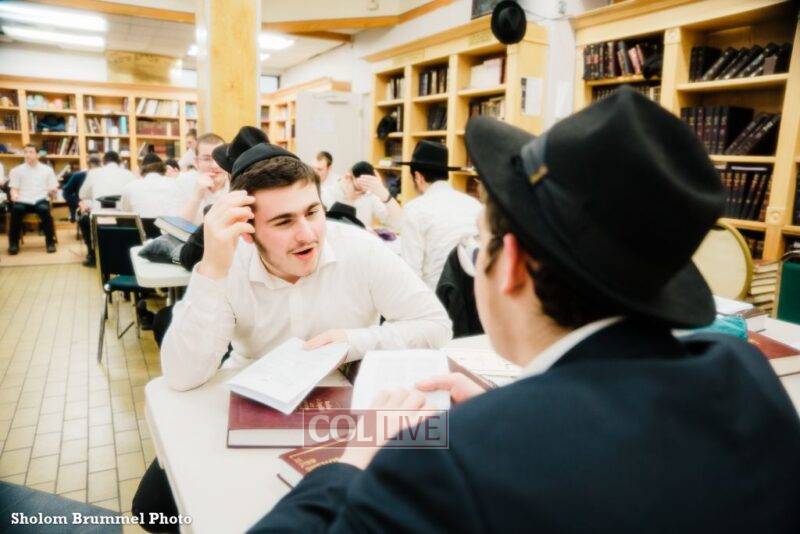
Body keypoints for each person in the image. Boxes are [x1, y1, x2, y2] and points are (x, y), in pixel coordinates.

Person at [250, 88, 800, 532]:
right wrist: (513, 410)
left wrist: (357, 456)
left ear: (510, 264)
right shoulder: (745, 374)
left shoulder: (449, 466)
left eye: (476, 245)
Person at [134, 128, 451, 533]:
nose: (308, 234)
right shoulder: (229, 263)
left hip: (340, 413)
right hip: (252, 405)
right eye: (284, 221)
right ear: (248, 229)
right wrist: (211, 269)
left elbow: (435, 326)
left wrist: (354, 342)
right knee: (163, 508)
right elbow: (181, 376)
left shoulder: (360, 249)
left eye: (312, 212)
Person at [398, 140, 482, 290]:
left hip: (435, 297)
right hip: (474, 296)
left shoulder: (414, 209)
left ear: (418, 177)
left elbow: (411, 274)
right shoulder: (475, 205)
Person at [78, 151, 136, 266]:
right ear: (119, 162)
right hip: (124, 218)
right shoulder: (129, 174)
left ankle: (92, 256)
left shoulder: (93, 173)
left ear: (103, 162)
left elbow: (82, 195)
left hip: (99, 218)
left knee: (83, 219)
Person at [7, 143, 58, 254]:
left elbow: (53, 187)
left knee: (44, 209)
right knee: (17, 209)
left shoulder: (47, 170)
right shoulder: (16, 170)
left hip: (40, 198)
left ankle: (50, 242)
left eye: (31, 152)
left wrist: (53, 191)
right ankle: (13, 243)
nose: (28, 154)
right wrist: (13, 195)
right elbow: (13, 189)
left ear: (37, 154)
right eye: (25, 152)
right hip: (23, 200)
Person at [175, 132, 229, 225]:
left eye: (219, 158)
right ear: (196, 162)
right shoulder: (182, 183)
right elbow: (175, 229)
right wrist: (197, 195)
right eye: (207, 159)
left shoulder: (238, 186)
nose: (215, 165)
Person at [332, 162, 401, 230]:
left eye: (365, 189)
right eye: (358, 189)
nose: (362, 193)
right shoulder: (331, 192)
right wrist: (349, 200)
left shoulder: (369, 193)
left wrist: (384, 193)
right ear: (348, 177)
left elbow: (397, 224)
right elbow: (337, 228)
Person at [120, 153, 181, 220]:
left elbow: (125, 215)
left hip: (141, 226)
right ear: (164, 169)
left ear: (141, 170)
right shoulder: (175, 185)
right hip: (168, 226)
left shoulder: (130, 187)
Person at [62, 154, 101, 222]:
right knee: (86, 220)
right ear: (88, 166)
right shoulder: (78, 176)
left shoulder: (104, 176)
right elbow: (66, 193)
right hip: (84, 208)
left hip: (100, 207)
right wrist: (80, 203)